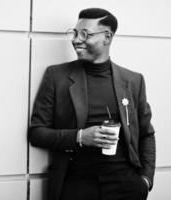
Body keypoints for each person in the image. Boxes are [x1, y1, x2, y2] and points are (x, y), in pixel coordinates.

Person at [29, 8, 155, 200]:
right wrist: (80, 137)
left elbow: (147, 134)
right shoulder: (56, 76)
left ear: (107, 37)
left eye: (85, 34)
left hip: (126, 186)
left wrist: (145, 180)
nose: (76, 39)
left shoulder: (133, 80)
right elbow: (37, 133)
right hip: (75, 185)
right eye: (75, 32)